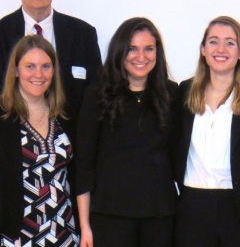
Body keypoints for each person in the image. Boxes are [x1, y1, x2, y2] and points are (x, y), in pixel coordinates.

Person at [174, 16, 240, 247]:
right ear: (203, 49)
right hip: (191, 208)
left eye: (230, 43)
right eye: (213, 42)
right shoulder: (183, 92)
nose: (221, 49)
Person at [75, 18, 178, 247]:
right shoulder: (96, 95)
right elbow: (84, 164)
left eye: (148, 49)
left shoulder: (171, 94)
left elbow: (178, 157)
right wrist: (84, 226)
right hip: (109, 217)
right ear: (120, 51)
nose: (141, 57)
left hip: (160, 217)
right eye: (132, 49)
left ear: (157, 52)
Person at [0, 35, 78, 246]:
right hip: (16, 238)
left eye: (46, 66)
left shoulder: (65, 115)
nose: (38, 74)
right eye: (30, 66)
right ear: (15, 70)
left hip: (64, 235)